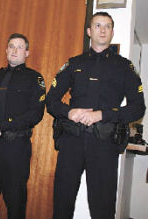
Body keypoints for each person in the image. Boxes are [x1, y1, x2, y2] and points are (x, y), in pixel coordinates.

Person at [46, 12, 146, 219]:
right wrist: (69, 112)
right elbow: (51, 100)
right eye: (98, 25)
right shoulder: (73, 64)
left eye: (107, 26)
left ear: (112, 32)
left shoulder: (124, 67)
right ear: (89, 31)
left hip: (104, 144)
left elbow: (138, 108)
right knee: (62, 203)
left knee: (103, 208)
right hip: (71, 141)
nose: (102, 30)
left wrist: (103, 114)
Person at [0, 33, 46, 219]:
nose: (14, 50)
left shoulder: (34, 79)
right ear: (6, 50)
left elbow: (35, 114)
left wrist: (2, 126)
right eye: (11, 46)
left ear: (27, 53)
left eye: (19, 47)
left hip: (15, 149)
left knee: (15, 202)